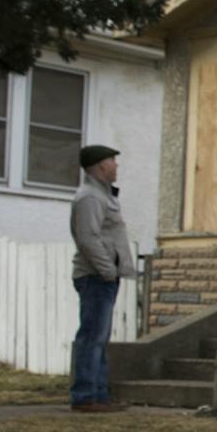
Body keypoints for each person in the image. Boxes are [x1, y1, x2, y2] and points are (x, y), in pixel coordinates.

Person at [68, 144, 135, 412]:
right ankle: (85, 395)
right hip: (95, 276)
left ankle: (98, 393)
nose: (116, 166)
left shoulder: (102, 195)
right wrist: (107, 270)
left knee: (100, 336)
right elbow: (87, 238)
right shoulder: (90, 197)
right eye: (112, 161)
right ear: (100, 166)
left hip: (104, 276)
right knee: (92, 336)